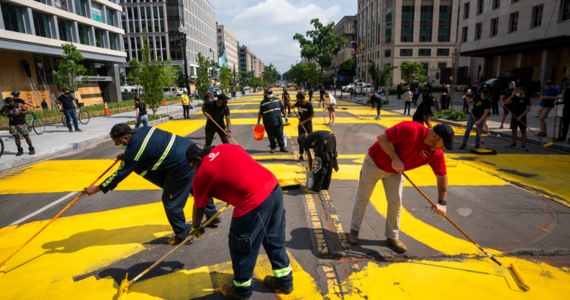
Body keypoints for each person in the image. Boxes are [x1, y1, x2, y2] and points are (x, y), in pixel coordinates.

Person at [186, 143, 294, 300]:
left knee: (241, 246)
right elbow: (238, 166)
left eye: (192, 166)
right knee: (274, 238)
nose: (194, 170)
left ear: (197, 159)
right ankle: (285, 281)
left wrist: (196, 227)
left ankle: (241, 291)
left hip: (253, 202)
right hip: (273, 188)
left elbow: (199, 208)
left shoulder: (201, 174)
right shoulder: (226, 147)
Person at [83, 124, 221, 245]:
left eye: (118, 142)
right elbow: (149, 149)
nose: (116, 145)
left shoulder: (134, 151)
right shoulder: (144, 130)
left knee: (170, 201)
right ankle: (212, 215)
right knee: (195, 186)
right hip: (190, 153)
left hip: (180, 164)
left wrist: (97, 188)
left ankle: (183, 235)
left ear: (126, 138)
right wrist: (128, 156)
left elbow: (120, 174)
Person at [348, 121, 453, 252]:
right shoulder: (410, 128)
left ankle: (392, 237)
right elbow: (382, 138)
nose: (442, 148)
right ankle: (354, 230)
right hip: (374, 163)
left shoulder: (435, 153)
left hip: (395, 172)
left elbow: (442, 176)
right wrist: (395, 159)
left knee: (396, 203)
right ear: (435, 137)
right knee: (363, 197)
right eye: (442, 145)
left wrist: (442, 202)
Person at [257, 88, 288, 153]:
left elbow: (282, 108)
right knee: (271, 136)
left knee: (280, 135)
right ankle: (273, 147)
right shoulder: (263, 103)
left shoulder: (277, 100)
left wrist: (285, 115)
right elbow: (260, 113)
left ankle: (282, 147)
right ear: (266, 94)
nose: (270, 95)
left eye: (271, 93)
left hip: (278, 121)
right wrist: (258, 121)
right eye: (269, 94)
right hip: (268, 123)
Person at [293, 93, 314, 162]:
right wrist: (288, 102)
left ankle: (312, 155)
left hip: (307, 124)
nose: (297, 100)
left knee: (311, 140)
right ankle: (301, 156)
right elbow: (292, 107)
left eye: (298, 98)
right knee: (301, 139)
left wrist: (304, 121)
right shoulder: (299, 103)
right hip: (301, 124)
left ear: (302, 99)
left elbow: (312, 115)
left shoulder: (309, 105)